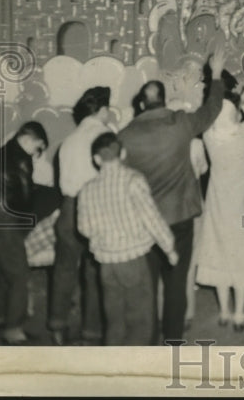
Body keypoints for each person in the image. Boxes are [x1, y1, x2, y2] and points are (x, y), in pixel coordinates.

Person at [118, 39, 227, 343]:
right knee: (177, 283)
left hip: (144, 223)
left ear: (141, 104)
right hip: (179, 219)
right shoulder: (180, 125)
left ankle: (149, 340)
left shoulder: (124, 136)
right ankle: (173, 341)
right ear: (164, 101)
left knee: (149, 284)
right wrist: (215, 75)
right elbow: (212, 109)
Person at [77, 132, 178, 346]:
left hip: (106, 265)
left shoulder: (87, 190)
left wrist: (105, 236)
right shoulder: (133, 180)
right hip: (133, 261)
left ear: (96, 159)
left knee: (114, 320)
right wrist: (169, 248)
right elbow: (152, 218)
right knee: (140, 321)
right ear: (122, 153)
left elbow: (84, 229)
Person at [195, 80, 244, 331]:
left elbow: (214, 115)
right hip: (243, 206)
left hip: (216, 207)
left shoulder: (209, 137)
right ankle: (238, 314)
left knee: (219, 257)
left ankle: (224, 311)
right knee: (242, 258)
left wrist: (237, 101)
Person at [47, 86, 114, 345]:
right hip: (95, 207)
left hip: (68, 208)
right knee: (94, 272)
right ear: (103, 110)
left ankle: (57, 325)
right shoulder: (106, 135)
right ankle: (91, 332)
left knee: (64, 269)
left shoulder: (69, 141)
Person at [0, 120, 49, 344]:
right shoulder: (22, 159)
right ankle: (13, 328)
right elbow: (26, 200)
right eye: (38, 148)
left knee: (0, 272)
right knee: (19, 276)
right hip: (6, 222)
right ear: (28, 140)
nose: (36, 153)